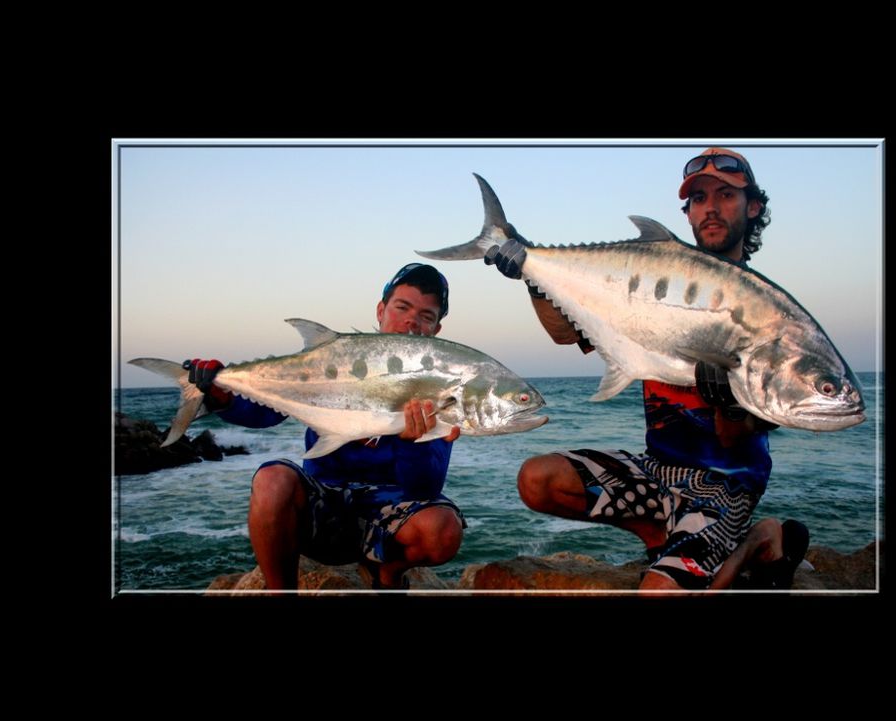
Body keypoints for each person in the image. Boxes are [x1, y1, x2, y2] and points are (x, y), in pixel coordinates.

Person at [485, 147, 808, 592]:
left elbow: (737, 440)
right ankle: (664, 539)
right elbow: (565, 333)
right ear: (688, 214)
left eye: (725, 195)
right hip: (657, 472)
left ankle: (753, 539)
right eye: (698, 200)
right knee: (536, 480)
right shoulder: (652, 286)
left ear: (753, 207)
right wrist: (530, 273)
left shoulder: (767, 317)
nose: (710, 208)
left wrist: (728, 400)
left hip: (725, 487)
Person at [186, 263, 465, 590]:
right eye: (402, 307)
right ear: (381, 309)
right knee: (271, 480)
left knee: (443, 530)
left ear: (436, 330)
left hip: (393, 512)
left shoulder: (443, 384)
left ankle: (387, 572)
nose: (411, 322)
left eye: (426, 316)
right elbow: (266, 414)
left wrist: (409, 442)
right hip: (325, 502)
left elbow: (425, 488)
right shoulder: (336, 361)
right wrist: (223, 397)